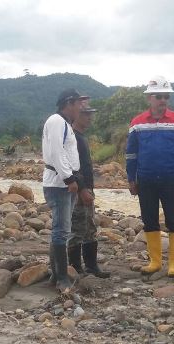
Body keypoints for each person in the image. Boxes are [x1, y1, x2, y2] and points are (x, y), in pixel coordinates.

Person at [126, 76, 174, 278]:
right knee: (150, 220)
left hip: (171, 178)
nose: (163, 100)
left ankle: (173, 264)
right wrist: (131, 178)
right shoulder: (137, 123)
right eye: (159, 96)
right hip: (145, 180)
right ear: (149, 98)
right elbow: (131, 154)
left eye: (166, 97)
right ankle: (155, 261)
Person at [42, 88, 87, 292]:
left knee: (63, 230)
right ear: (69, 103)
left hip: (63, 182)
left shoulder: (63, 124)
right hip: (59, 183)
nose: (81, 107)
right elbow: (56, 152)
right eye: (79, 103)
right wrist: (69, 178)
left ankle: (55, 275)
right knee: (61, 231)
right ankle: (61, 278)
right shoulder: (56, 121)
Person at [67, 101, 110, 278]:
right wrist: (82, 190)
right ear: (77, 115)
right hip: (79, 191)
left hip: (87, 189)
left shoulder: (81, 136)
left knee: (90, 228)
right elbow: (72, 167)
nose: (90, 117)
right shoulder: (72, 136)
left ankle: (91, 266)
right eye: (86, 114)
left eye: (90, 114)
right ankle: (76, 268)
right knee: (77, 229)